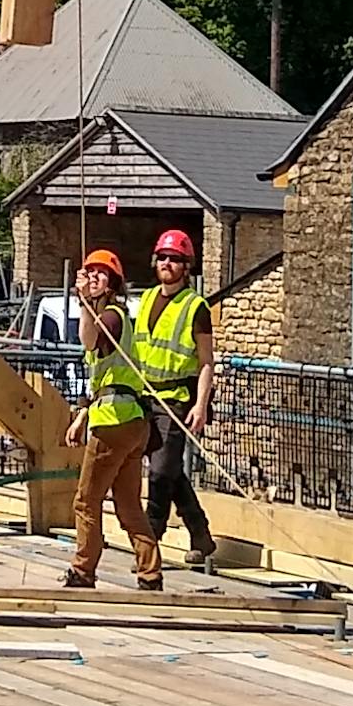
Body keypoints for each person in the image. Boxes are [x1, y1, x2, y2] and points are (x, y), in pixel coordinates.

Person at [62, 245, 162, 589]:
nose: (93, 277)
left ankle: (83, 569)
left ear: (113, 283)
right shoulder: (114, 314)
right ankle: (150, 573)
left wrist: (83, 303)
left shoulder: (111, 316)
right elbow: (102, 379)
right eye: (89, 272)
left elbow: (90, 342)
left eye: (100, 273)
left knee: (86, 500)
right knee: (128, 504)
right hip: (132, 421)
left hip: (115, 422)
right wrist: (80, 416)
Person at [129, 227, 219, 569]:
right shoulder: (148, 298)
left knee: (160, 474)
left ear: (187, 266)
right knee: (170, 472)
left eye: (176, 259)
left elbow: (207, 361)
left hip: (177, 399)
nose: (168, 263)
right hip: (144, 395)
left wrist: (200, 404)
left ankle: (149, 543)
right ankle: (200, 534)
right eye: (164, 257)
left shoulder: (195, 307)